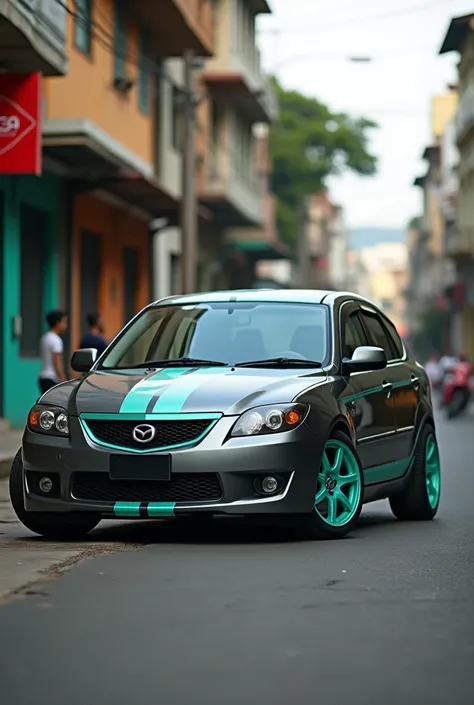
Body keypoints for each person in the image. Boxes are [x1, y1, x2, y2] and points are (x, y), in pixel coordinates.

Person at [38, 310, 68, 394]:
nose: (66, 325)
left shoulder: (45, 337)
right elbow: (57, 363)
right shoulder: (56, 340)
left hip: (43, 377)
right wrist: (63, 380)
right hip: (52, 378)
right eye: (64, 321)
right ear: (57, 323)